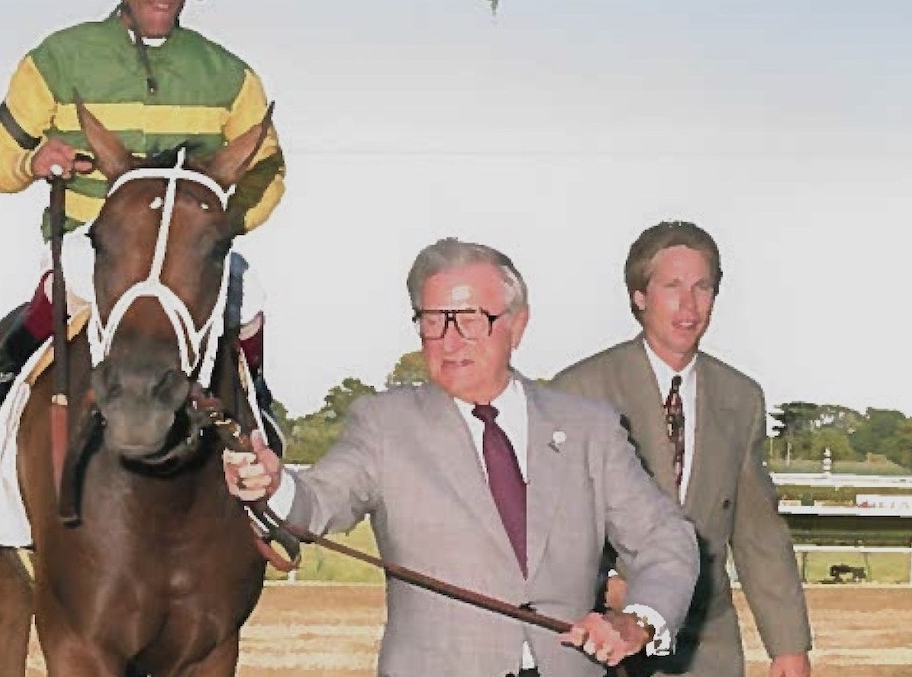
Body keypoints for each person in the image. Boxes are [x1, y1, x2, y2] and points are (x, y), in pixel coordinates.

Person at [225, 238, 699, 677]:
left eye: (471, 319)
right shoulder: (382, 424)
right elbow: (317, 501)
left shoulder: (589, 427)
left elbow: (666, 540)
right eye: (433, 320)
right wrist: (273, 486)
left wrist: (636, 622)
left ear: (517, 324)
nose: (449, 341)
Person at [0, 0, 285, 424]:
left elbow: (269, 172)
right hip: (95, 239)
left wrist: (211, 229)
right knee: (67, 284)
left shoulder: (232, 75)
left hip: (187, 253)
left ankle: (256, 407)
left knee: (245, 291)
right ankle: (2, 385)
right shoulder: (58, 58)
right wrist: (33, 161)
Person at [552, 221, 813, 677]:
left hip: (707, 649)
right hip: (606, 644)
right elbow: (552, 527)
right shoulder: (578, 390)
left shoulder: (741, 398)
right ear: (639, 295)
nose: (689, 305)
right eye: (672, 286)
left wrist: (788, 647)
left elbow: (758, 532)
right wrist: (610, 585)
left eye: (702, 287)